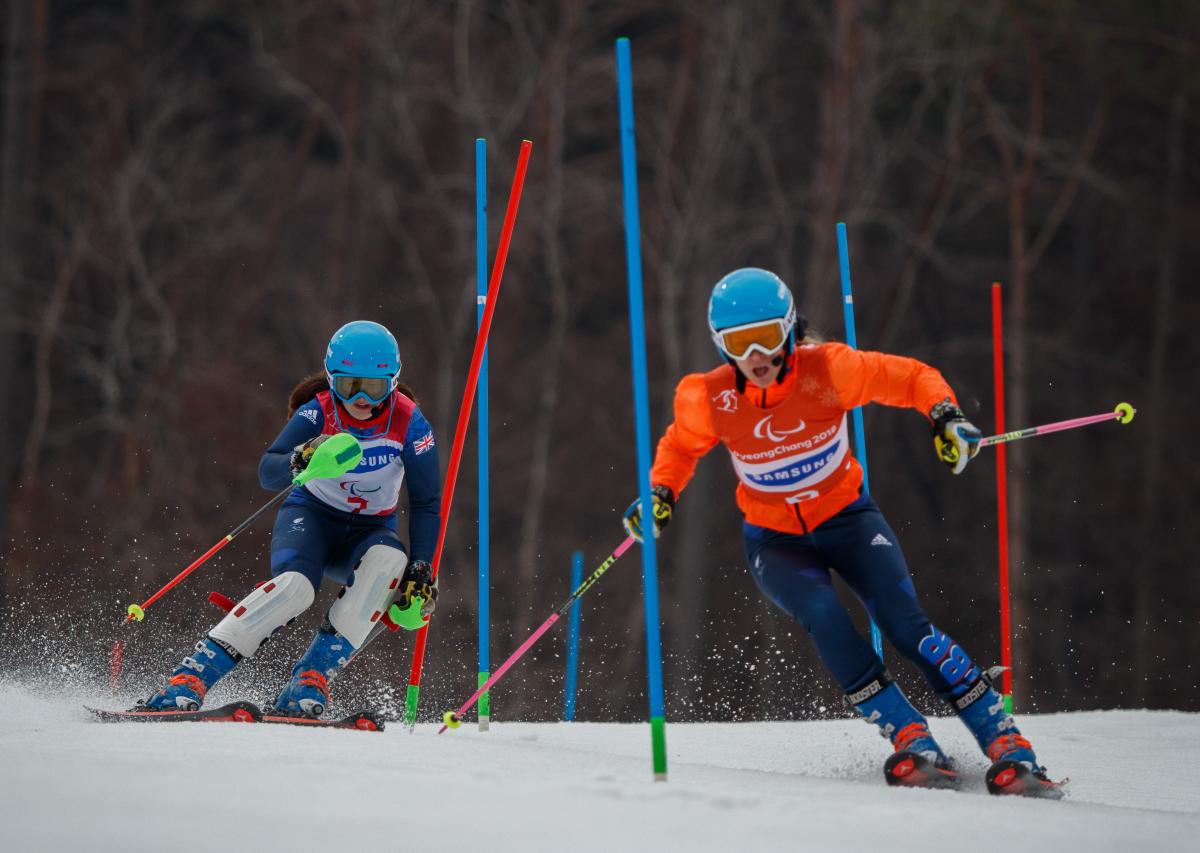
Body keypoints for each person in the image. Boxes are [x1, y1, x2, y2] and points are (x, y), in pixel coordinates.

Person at [623, 268, 1058, 795]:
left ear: (789, 329)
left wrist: (946, 417)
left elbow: (912, 377)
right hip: (775, 540)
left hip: (848, 520)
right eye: (739, 343)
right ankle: (911, 738)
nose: (756, 355)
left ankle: (1008, 745)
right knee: (825, 616)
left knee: (907, 627)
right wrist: (661, 493)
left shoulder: (828, 370)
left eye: (766, 336)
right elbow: (679, 447)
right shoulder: (709, 398)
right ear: (721, 346)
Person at [141, 320, 441, 718]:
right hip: (311, 519)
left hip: (368, 532)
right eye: (351, 386)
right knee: (296, 588)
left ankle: (309, 682)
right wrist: (303, 458)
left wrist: (422, 566)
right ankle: (190, 678)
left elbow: (426, 502)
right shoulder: (318, 412)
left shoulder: (409, 422)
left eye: (376, 387)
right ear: (332, 379)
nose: (363, 399)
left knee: (391, 563)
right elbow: (269, 471)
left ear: (393, 382)